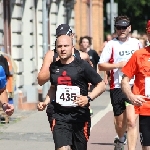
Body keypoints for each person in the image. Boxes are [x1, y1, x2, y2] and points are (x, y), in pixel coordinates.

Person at [37, 35, 105, 150]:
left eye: (66, 46)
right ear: (56, 49)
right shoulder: (53, 67)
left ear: (72, 47)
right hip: (60, 115)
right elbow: (54, 87)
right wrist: (45, 102)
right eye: (59, 46)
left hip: (79, 115)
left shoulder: (82, 65)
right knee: (63, 148)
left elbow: (101, 85)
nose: (62, 49)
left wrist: (88, 98)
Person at [98, 16, 142, 150]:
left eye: (124, 27)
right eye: (119, 27)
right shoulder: (111, 44)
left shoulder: (137, 43)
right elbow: (101, 65)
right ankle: (121, 138)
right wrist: (118, 65)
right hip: (116, 86)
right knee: (120, 123)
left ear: (129, 28)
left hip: (134, 85)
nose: (122, 30)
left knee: (131, 121)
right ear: (116, 29)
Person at [121, 20, 150, 150]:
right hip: (146, 108)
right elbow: (125, 80)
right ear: (148, 35)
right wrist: (131, 96)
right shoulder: (139, 55)